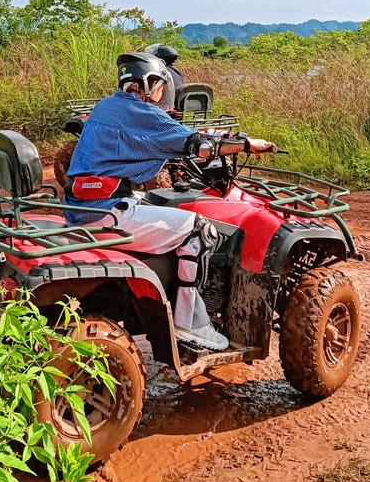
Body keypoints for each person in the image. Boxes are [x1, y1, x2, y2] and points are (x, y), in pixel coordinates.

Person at [65, 52, 276, 352]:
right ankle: (189, 321)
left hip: (81, 206)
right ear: (148, 84)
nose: (163, 95)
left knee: (150, 200)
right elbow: (200, 146)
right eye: (161, 87)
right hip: (105, 210)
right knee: (199, 230)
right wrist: (245, 144)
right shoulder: (141, 112)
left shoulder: (106, 107)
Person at [145, 43, 184, 110]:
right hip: (179, 109)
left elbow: (152, 98)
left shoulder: (160, 73)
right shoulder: (177, 73)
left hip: (166, 109)